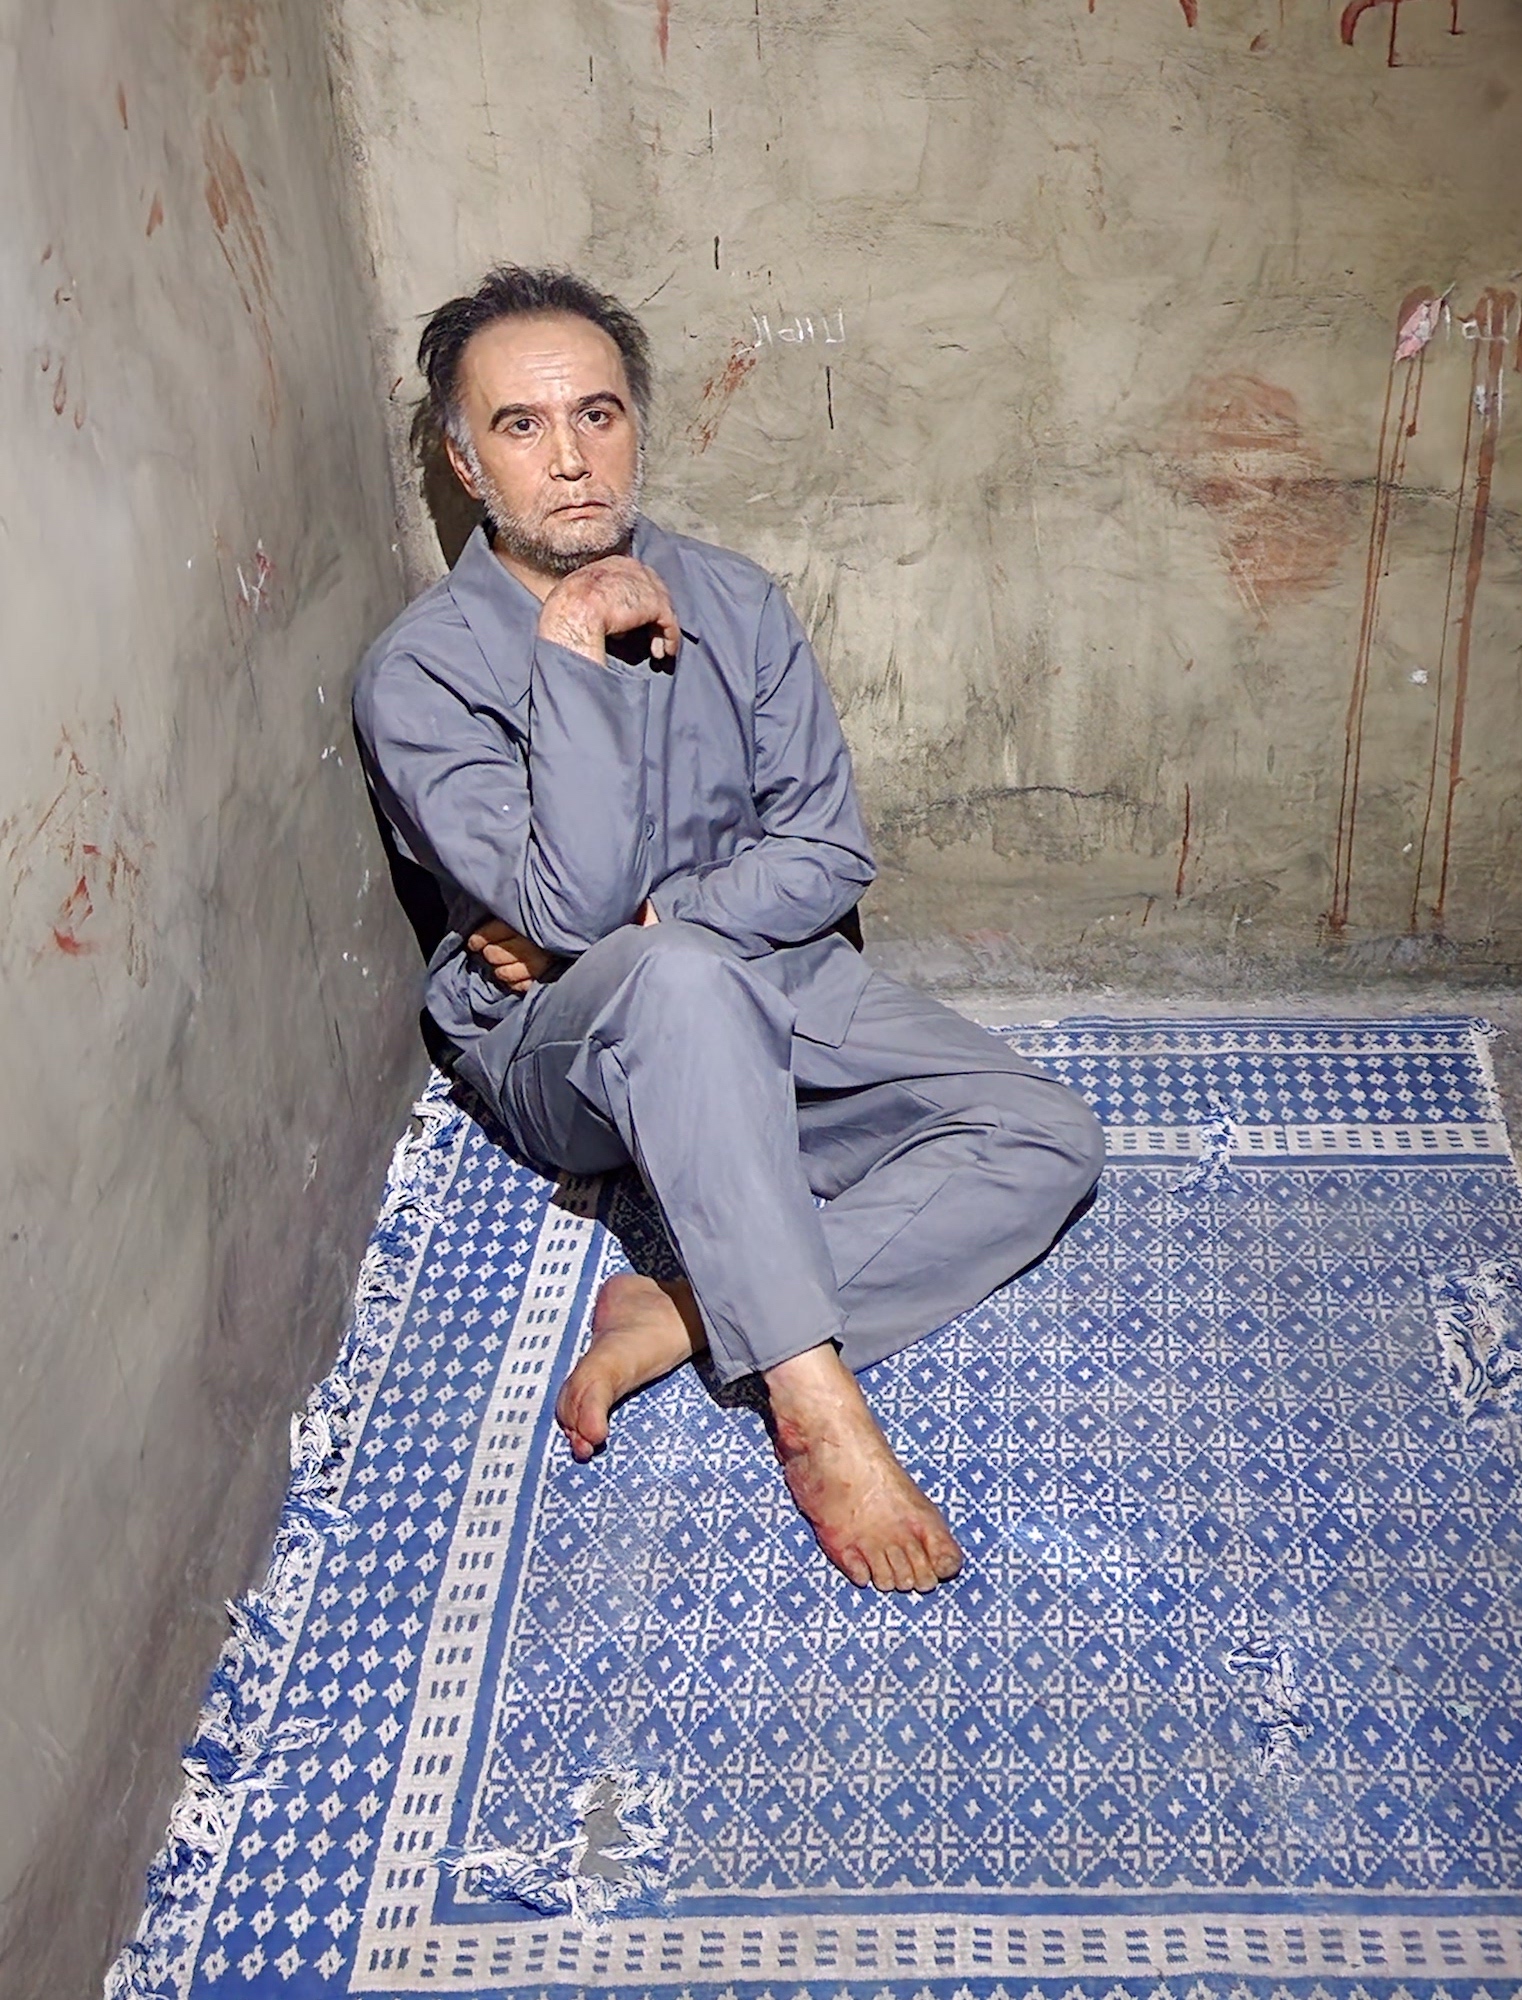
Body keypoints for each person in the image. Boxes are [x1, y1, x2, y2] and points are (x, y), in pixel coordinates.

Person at [353, 267, 1104, 1595]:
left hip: (770, 976)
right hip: (558, 1041)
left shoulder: (735, 601)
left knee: (1047, 1136)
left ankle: (696, 1306)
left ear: (636, 424)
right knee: (673, 980)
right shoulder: (420, 674)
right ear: (467, 464)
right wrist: (572, 640)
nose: (572, 458)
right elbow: (567, 916)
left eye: (597, 413)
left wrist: (665, 919)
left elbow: (827, 850)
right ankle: (815, 1405)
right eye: (523, 426)